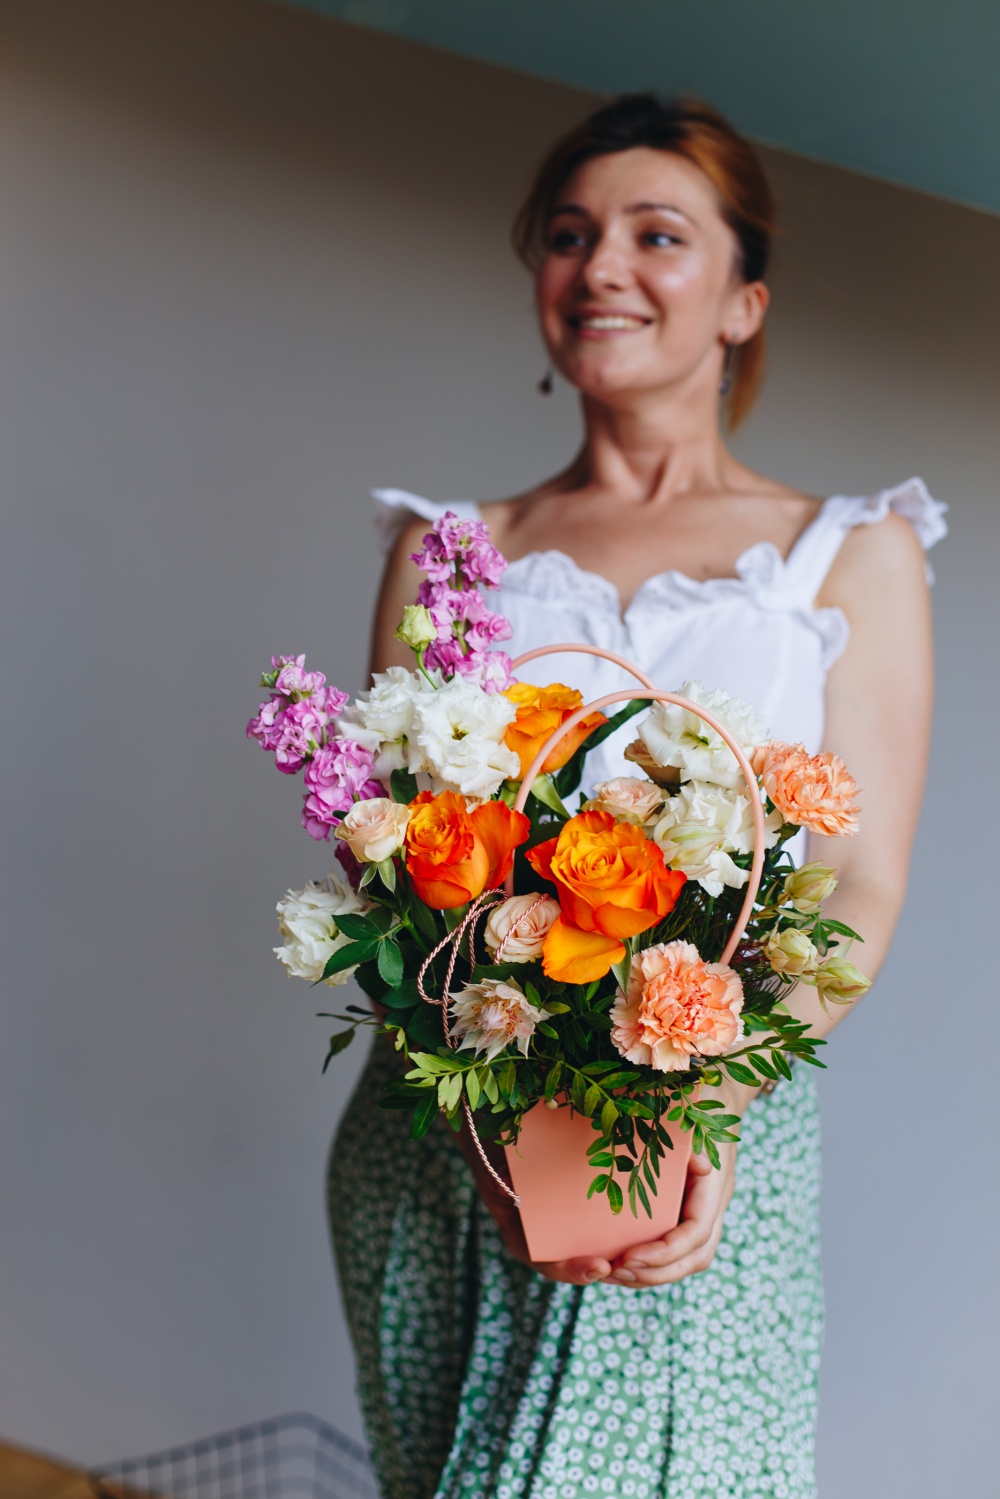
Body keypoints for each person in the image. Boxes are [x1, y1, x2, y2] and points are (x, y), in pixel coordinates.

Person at [328, 94, 945, 1499]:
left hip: (709, 1145)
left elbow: (862, 884)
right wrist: (483, 1119)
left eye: (657, 235)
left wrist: (703, 1108)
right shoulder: (453, 552)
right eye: (568, 235)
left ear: (743, 301)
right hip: (448, 1132)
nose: (601, 266)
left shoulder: (846, 555)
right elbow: (386, 857)